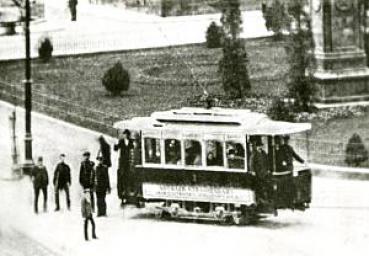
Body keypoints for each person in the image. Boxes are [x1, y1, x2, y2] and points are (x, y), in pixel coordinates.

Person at [114, 129, 134, 206]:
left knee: (129, 179)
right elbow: (116, 149)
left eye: (127, 134)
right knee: (122, 179)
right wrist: (115, 145)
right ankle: (122, 197)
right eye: (125, 134)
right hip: (122, 163)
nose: (126, 135)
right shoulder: (121, 141)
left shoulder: (131, 141)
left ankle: (129, 196)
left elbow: (133, 149)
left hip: (129, 163)